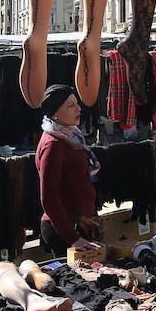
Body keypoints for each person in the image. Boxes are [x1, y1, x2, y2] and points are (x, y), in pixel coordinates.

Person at [36, 83, 102, 256]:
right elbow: (48, 197)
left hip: (78, 224)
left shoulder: (70, 135)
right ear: (55, 113)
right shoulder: (54, 145)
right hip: (65, 230)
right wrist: (73, 238)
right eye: (71, 105)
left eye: (77, 103)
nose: (79, 109)